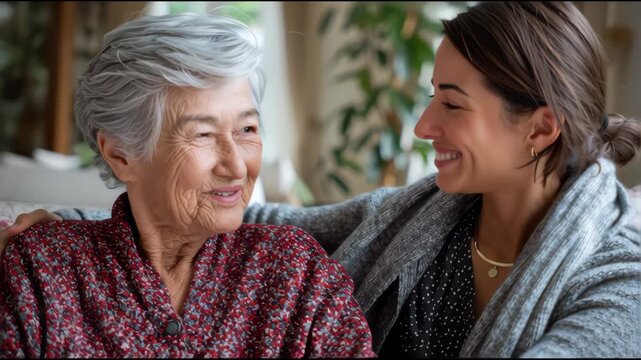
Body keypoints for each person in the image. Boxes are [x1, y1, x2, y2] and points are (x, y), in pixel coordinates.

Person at [2, 1, 641, 357]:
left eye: (451, 103)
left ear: (538, 129)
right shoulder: (420, 217)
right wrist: (72, 233)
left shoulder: (622, 280)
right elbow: (239, 214)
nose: (422, 126)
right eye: (204, 132)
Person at [0, 13, 375, 358]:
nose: (235, 166)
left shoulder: (294, 271)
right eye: (202, 134)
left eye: (247, 129)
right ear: (120, 156)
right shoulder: (41, 268)